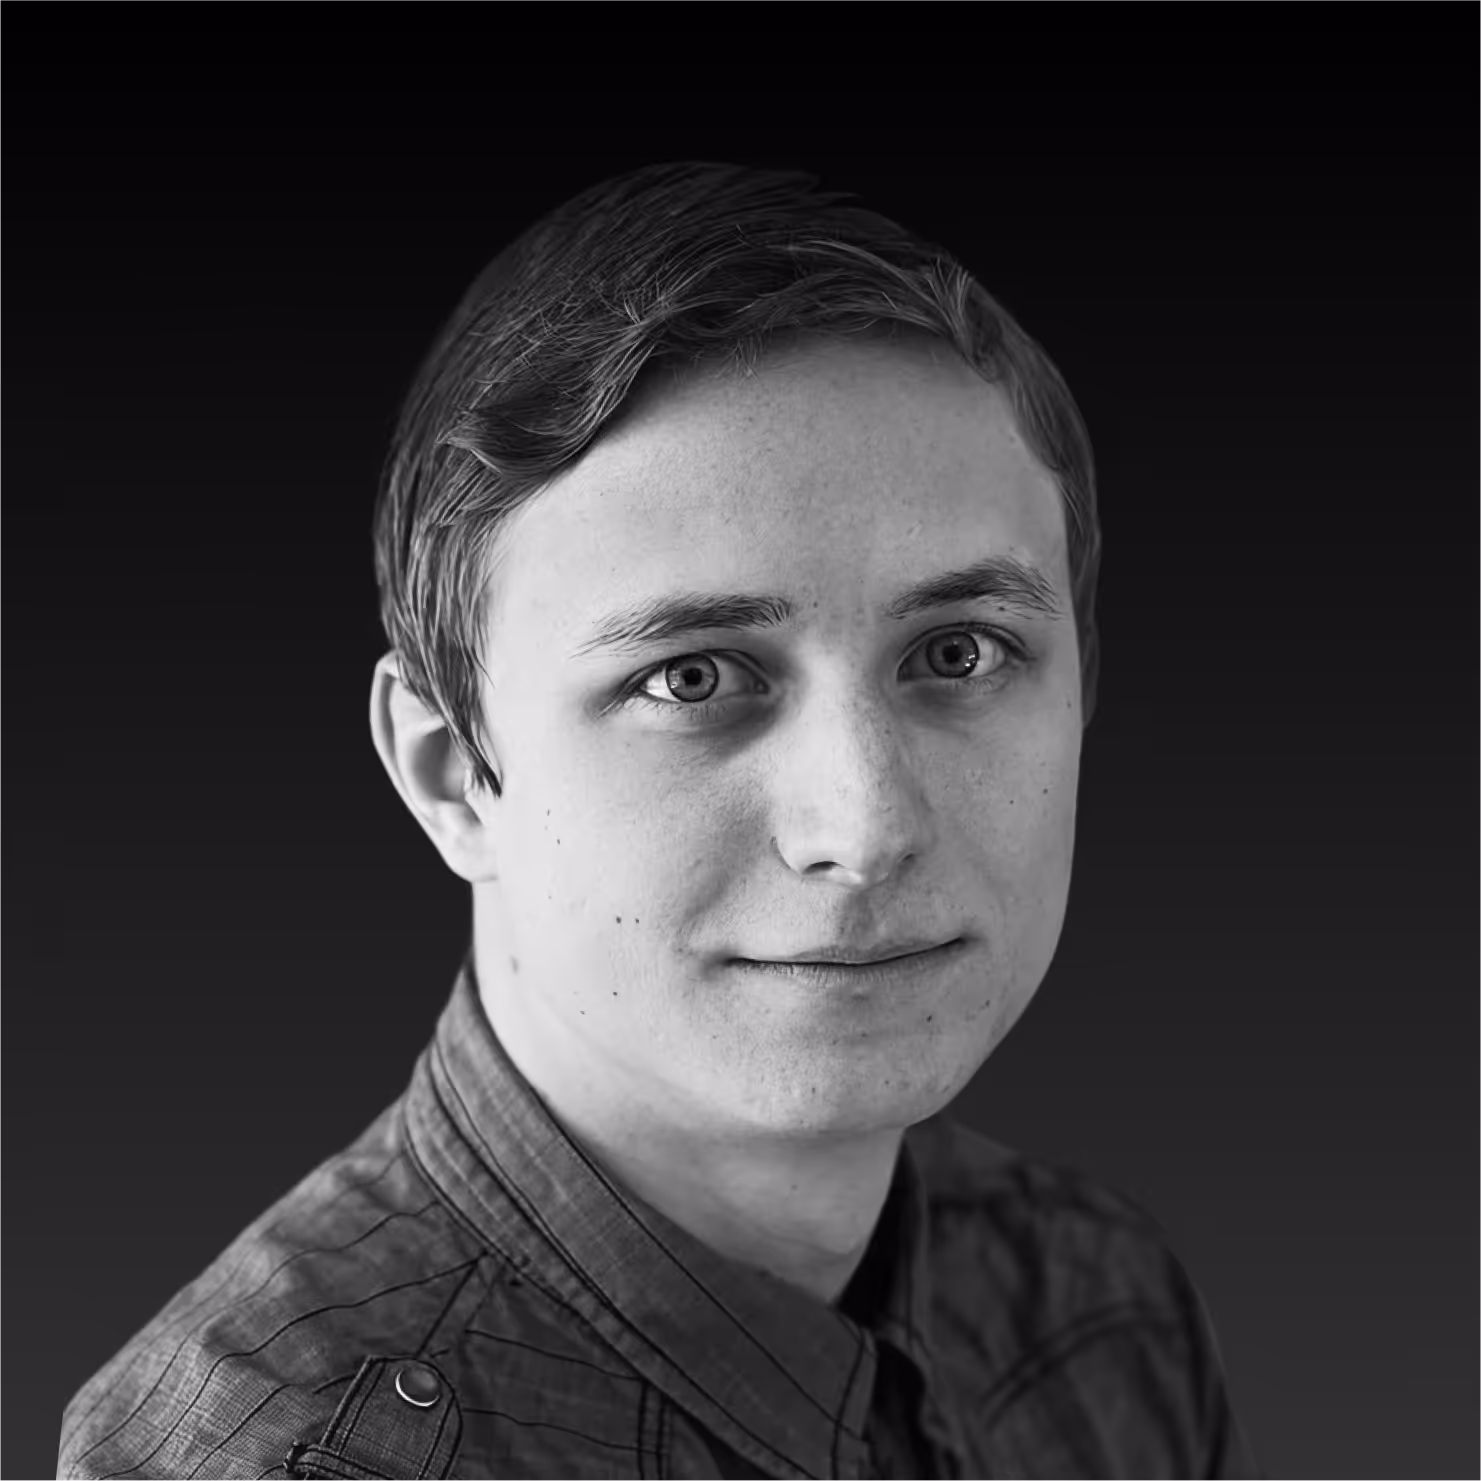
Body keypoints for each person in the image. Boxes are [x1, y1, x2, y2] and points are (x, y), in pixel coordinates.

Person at [58, 161, 1262, 1480]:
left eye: (960, 653)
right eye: (691, 678)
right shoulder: (277, 1460)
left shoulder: (1103, 1306)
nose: (864, 830)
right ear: (452, 771)